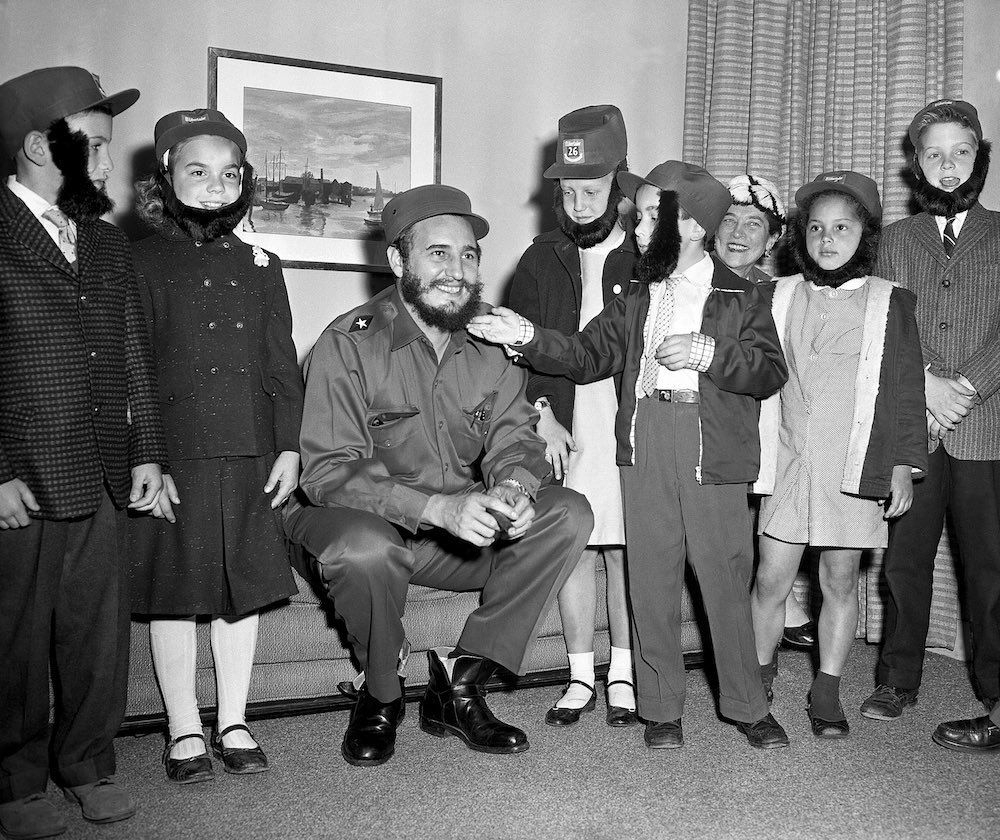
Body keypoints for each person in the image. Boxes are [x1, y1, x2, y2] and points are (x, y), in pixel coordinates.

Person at [470, 161, 791, 749]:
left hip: (712, 447)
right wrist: (524, 335)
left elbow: (770, 370)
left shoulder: (743, 295)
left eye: (647, 217)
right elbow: (585, 354)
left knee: (723, 575)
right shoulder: (637, 297)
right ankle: (660, 705)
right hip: (644, 442)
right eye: (638, 215)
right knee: (650, 576)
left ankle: (748, 703)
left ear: (691, 226)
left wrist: (708, 352)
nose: (636, 227)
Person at [283, 184, 593, 767]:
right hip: (354, 524)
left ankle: (460, 681)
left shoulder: (489, 341)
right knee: (367, 548)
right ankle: (381, 690)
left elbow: (515, 437)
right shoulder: (347, 343)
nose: (457, 271)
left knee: (568, 511)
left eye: (469, 255)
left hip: (445, 534)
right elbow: (328, 472)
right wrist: (438, 509)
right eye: (438, 254)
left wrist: (513, 487)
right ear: (398, 260)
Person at [0, 67, 166, 839]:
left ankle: (89, 766)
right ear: (39, 147)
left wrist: (148, 452)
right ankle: (16, 782)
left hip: (101, 467)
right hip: (21, 479)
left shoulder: (104, 240)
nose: (107, 164)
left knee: (96, 634)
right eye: (94, 147)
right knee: (15, 639)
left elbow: (132, 351)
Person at [128, 109, 303, 783]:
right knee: (175, 588)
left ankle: (233, 718)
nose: (214, 186)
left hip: (250, 449)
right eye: (197, 172)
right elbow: (131, 366)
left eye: (229, 175)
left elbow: (281, 363)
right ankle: (182, 725)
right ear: (166, 177)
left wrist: (288, 446)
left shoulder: (261, 264)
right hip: (174, 451)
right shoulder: (138, 260)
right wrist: (145, 456)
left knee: (242, 586)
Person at [750, 171, 926, 737]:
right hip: (789, 461)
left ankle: (826, 688)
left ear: (865, 235)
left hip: (852, 465)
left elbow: (906, 390)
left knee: (840, 580)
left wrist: (902, 465)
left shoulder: (889, 302)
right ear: (801, 236)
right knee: (770, 579)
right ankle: (758, 676)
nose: (827, 240)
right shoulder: (776, 295)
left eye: (842, 228)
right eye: (817, 229)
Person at [861, 99, 1000, 752]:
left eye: (961, 153)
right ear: (915, 165)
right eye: (934, 154)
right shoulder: (894, 240)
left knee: (990, 569)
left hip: (986, 427)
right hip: (916, 426)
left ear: (981, 159)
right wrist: (927, 387)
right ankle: (897, 678)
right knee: (904, 561)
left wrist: (966, 387)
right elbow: (884, 324)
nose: (948, 167)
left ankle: (995, 696)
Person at [507, 105, 638, 727]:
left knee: (628, 547)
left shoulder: (645, 256)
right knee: (577, 540)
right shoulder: (540, 258)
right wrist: (541, 411)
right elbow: (514, 348)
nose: (580, 206)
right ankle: (581, 673)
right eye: (569, 193)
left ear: (620, 185)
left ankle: (625, 671)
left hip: (627, 416)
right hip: (563, 417)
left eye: (593, 191)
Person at [715, 174, 817, 652]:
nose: (738, 233)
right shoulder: (692, 280)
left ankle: (776, 601)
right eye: (728, 220)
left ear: (773, 239)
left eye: (753, 224)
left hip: (767, 421)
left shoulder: (781, 293)